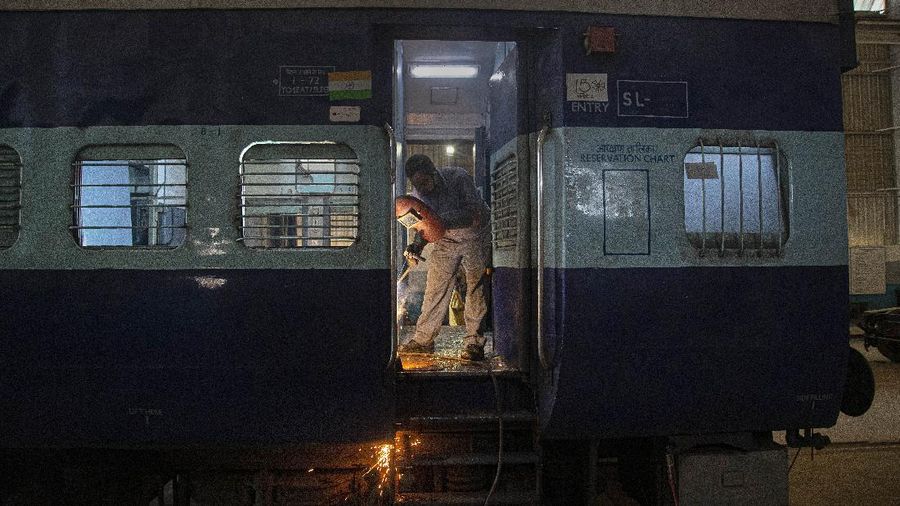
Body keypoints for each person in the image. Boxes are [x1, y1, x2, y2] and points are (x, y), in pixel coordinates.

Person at [398, 154, 491, 361]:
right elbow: (422, 227)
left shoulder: (459, 177)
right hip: (446, 240)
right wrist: (416, 246)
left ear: (434, 173)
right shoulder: (418, 194)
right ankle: (423, 341)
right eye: (416, 184)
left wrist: (439, 222)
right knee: (435, 288)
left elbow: (474, 214)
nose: (421, 188)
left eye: (424, 182)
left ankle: (474, 343)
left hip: (475, 235)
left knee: (474, 287)